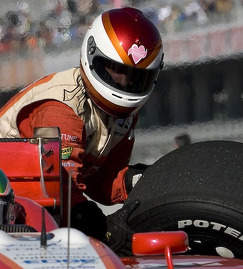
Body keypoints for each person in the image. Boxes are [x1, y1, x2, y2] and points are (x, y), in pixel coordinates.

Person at [0, 7, 163, 239]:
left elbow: (99, 180)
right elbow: (63, 194)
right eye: (115, 71)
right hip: (11, 204)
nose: (124, 83)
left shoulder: (123, 116)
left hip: (37, 204)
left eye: (136, 78)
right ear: (92, 54)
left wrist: (137, 181)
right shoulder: (60, 109)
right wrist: (100, 227)